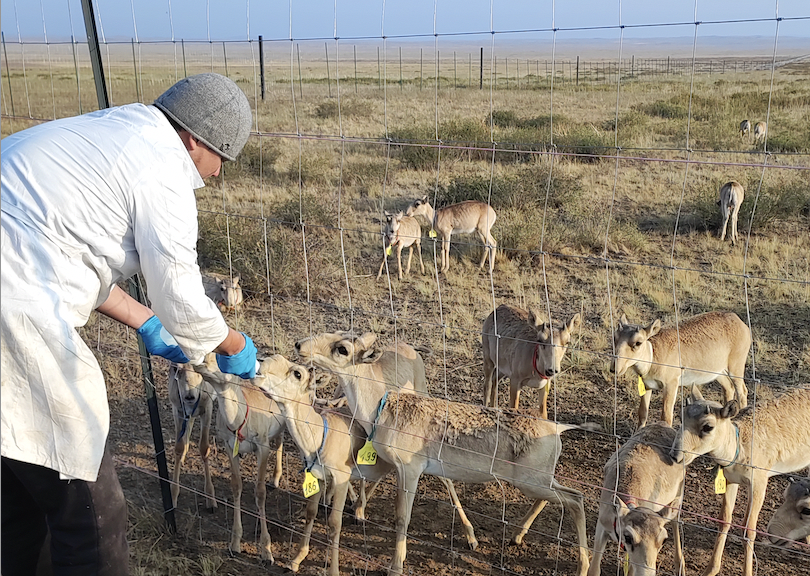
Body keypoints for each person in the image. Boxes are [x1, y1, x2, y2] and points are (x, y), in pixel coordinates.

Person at [1, 73, 259, 575]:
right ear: (195, 139)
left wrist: (145, 322)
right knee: (91, 509)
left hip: (15, 284)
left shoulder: (106, 131)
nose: (219, 175)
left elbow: (66, 249)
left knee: (17, 494)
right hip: (15, 312)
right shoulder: (163, 168)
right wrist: (232, 341)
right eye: (222, 159)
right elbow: (181, 295)